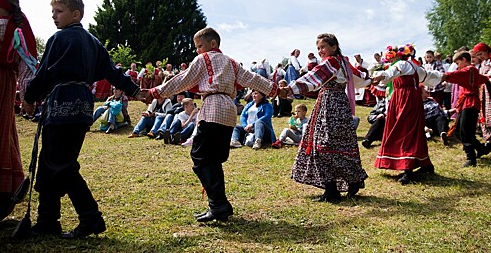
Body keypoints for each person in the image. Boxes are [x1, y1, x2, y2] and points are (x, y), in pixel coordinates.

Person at [24, 0, 143, 238]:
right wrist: (134, 90)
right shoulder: (93, 42)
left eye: (59, 11)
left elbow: (45, 72)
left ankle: (91, 218)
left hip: (63, 104)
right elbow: (112, 71)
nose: (54, 16)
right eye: (53, 11)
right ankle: (48, 220)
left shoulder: (59, 38)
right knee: (50, 163)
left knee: (61, 165)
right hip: (82, 106)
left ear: (75, 14)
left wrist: (29, 96)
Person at [144, 27, 279, 222]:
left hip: (213, 107)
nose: (197, 50)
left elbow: (183, 79)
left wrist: (155, 92)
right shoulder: (232, 63)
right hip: (228, 110)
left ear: (212, 44)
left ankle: (219, 205)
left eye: (199, 46)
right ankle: (219, 205)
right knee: (213, 160)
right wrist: (274, 89)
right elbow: (252, 78)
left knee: (200, 157)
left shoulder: (204, 59)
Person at [281, 33, 368, 201]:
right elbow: (360, 78)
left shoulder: (331, 62)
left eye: (323, 47)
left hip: (330, 106)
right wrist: (373, 78)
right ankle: (351, 181)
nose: (320, 51)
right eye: (318, 48)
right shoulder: (344, 63)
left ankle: (333, 190)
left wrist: (291, 89)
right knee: (340, 145)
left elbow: (313, 77)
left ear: (334, 47)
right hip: (340, 105)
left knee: (322, 145)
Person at [371, 44, 442, 185]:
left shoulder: (402, 64)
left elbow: (393, 72)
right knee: (413, 130)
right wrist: (442, 77)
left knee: (405, 130)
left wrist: (380, 76)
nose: (389, 59)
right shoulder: (414, 66)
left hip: (405, 99)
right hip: (406, 99)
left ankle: (407, 168)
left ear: (398, 55)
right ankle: (426, 164)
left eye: (391, 56)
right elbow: (427, 77)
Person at [0, 0, 37, 224]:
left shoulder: (0, 25)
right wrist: (29, 98)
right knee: (4, 134)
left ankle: (5, 194)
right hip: (4, 84)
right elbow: (27, 65)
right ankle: (6, 191)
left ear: (0, 5)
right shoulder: (18, 29)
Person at [441, 51, 489, 167]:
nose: (457, 66)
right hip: (466, 103)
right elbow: (483, 78)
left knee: (466, 132)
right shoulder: (471, 71)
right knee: (458, 131)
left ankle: (471, 158)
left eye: (458, 63)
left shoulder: (470, 70)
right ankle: (481, 148)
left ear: (463, 59)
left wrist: (444, 76)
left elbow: (457, 75)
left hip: (470, 104)